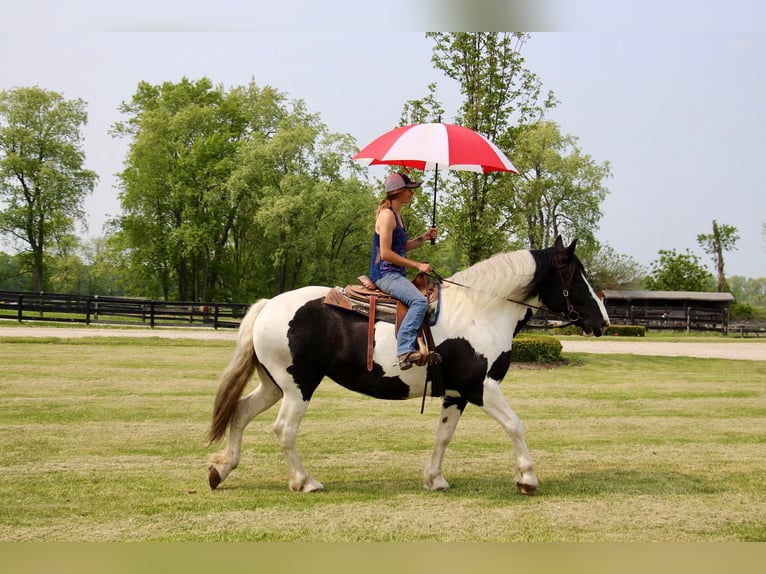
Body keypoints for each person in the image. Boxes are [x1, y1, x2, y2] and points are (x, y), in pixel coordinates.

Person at [369, 172, 438, 370]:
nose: (412, 193)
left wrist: (423, 237)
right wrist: (417, 265)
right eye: (409, 189)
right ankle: (405, 350)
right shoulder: (387, 216)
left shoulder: (397, 215)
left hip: (395, 274)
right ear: (398, 192)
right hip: (384, 274)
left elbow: (400, 247)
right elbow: (386, 253)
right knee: (418, 301)